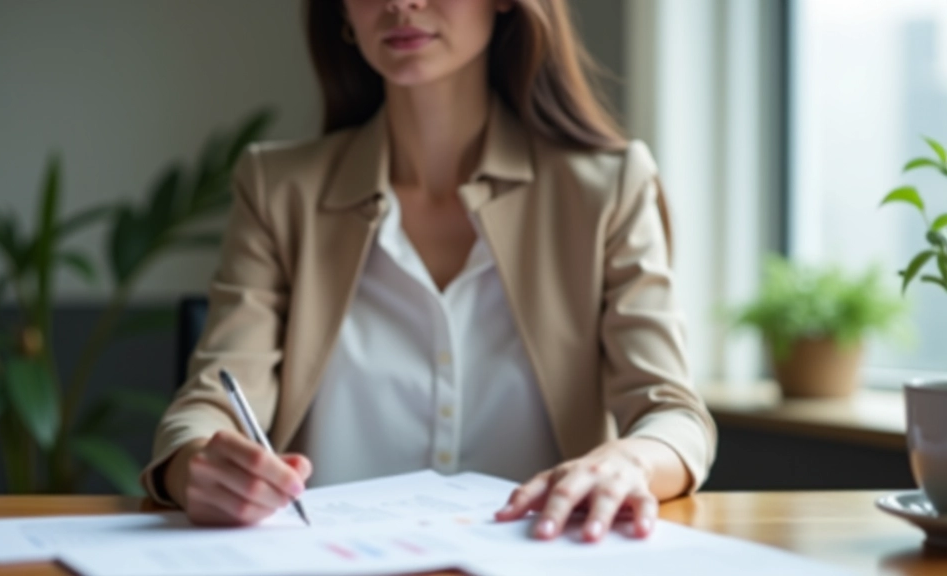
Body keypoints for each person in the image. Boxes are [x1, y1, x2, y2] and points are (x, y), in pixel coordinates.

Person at [140, 0, 716, 543]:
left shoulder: (607, 188)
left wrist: (629, 460)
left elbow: (673, 414)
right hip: (327, 561)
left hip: (540, 556)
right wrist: (196, 465)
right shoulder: (277, 188)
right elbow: (208, 403)